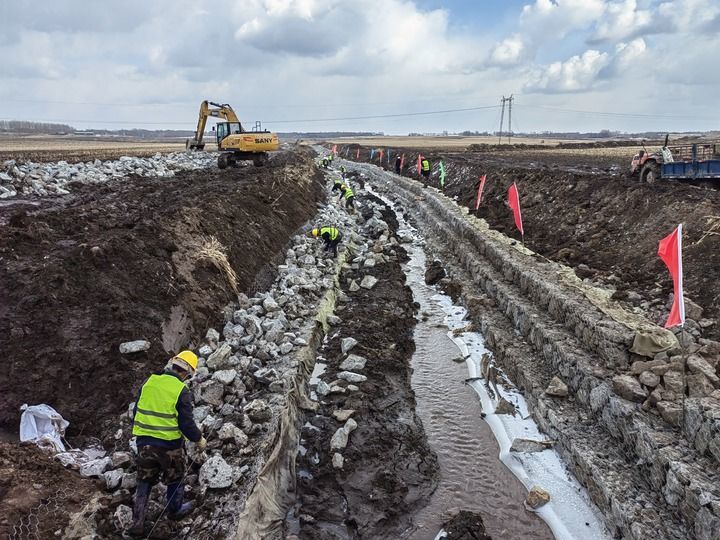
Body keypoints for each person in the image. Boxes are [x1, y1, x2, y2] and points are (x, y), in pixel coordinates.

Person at [129, 351, 206, 536]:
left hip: (144, 444)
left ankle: (137, 521)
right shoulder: (181, 391)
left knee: (144, 480)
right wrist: (199, 439)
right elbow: (186, 424)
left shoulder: (150, 382)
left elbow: (136, 410)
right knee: (175, 477)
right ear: (187, 373)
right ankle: (175, 510)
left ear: (172, 365)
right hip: (169, 446)